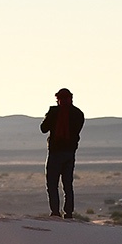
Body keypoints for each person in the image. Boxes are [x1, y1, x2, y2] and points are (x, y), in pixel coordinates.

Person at [40, 88, 84, 219]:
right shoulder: (78, 114)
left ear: (58, 99)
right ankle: (68, 213)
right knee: (67, 184)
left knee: (52, 184)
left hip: (55, 152)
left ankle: (55, 212)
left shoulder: (54, 112)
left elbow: (43, 128)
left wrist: (49, 115)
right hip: (70, 153)